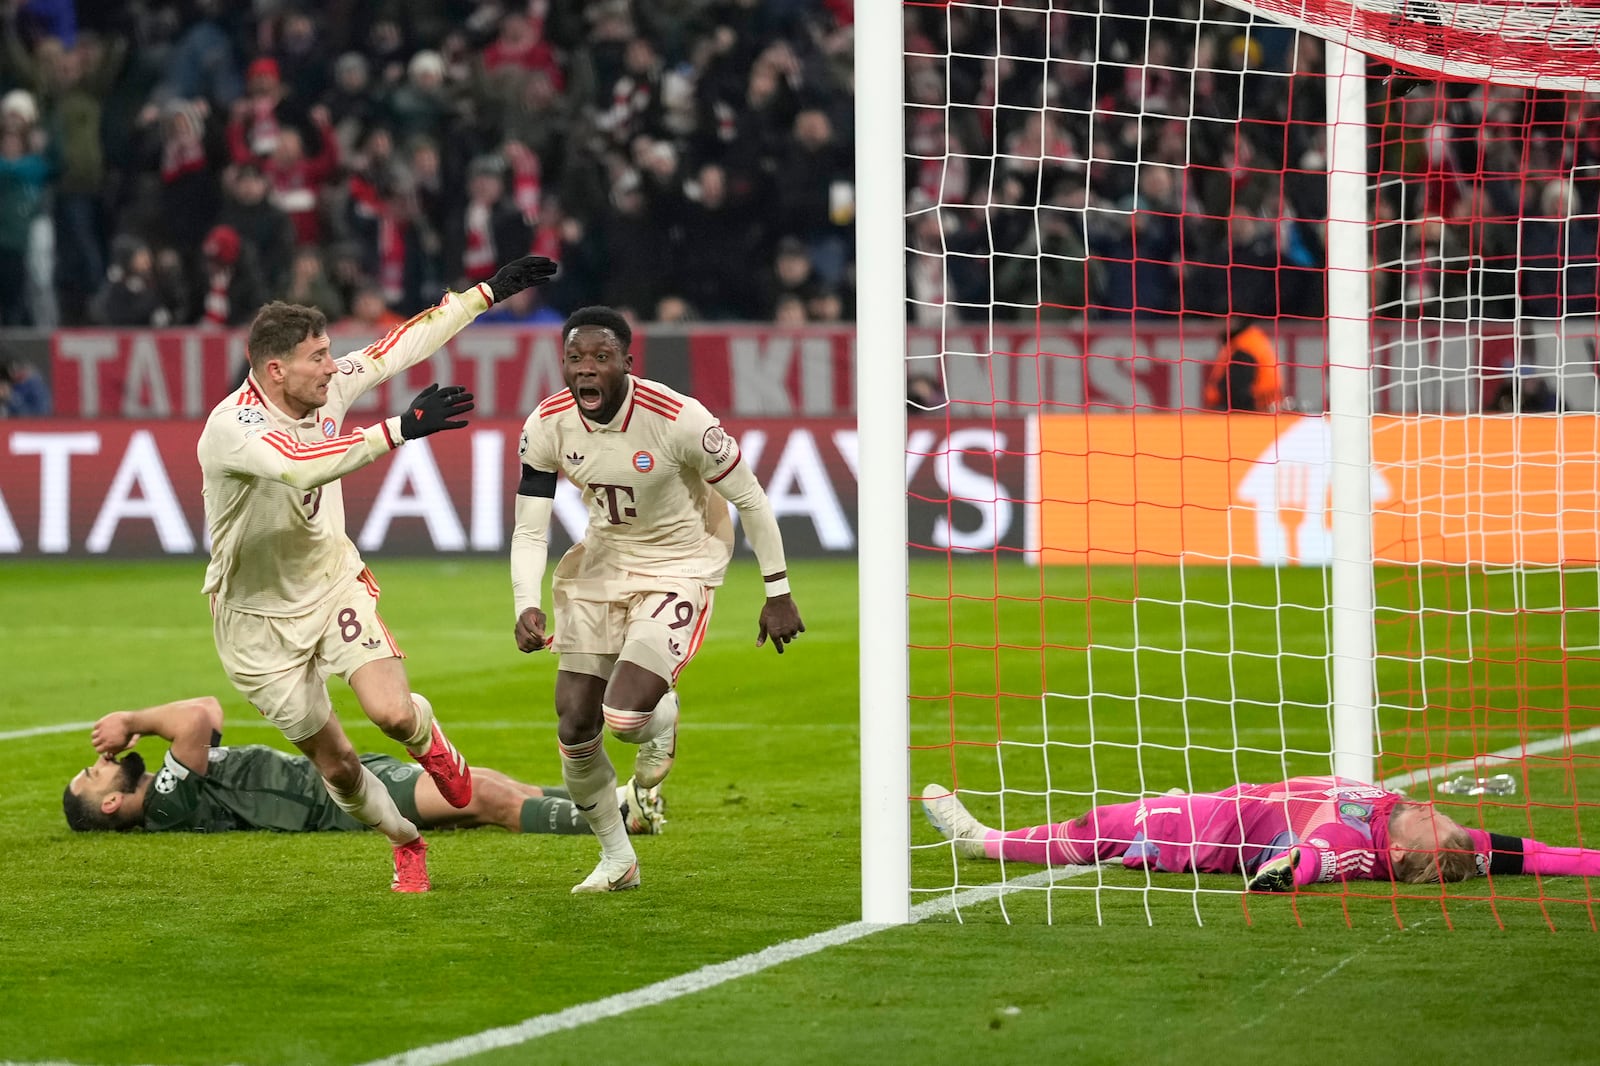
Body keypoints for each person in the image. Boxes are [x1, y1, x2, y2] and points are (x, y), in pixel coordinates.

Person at [195, 253, 557, 893]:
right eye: (319, 357)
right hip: (253, 623)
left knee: (391, 713)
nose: (333, 367)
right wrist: (400, 428)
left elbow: (397, 346)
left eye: (331, 352)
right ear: (276, 370)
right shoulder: (233, 428)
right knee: (336, 767)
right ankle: (406, 842)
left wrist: (486, 292)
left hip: (329, 581)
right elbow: (302, 466)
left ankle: (435, 746)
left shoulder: (326, 386)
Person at [510, 305, 806, 894]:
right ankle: (617, 859)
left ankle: (661, 721)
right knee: (574, 724)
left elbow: (751, 499)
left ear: (627, 362)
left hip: (682, 562)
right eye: (574, 359)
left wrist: (778, 591)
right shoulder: (547, 423)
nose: (586, 370)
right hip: (603, 560)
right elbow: (529, 528)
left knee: (624, 717)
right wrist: (525, 601)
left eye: (600, 358)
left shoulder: (680, 419)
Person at [62, 697, 664, 837]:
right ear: (112, 804)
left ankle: (615, 803)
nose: (101, 762)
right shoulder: (166, 803)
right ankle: (615, 824)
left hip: (336, 775)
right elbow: (194, 717)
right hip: (333, 797)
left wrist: (137, 725)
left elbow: (212, 710)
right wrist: (131, 721)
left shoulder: (176, 782)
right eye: (94, 775)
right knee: (477, 795)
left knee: (486, 781)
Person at [921, 776, 1600, 891]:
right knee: (1104, 826)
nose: (1435, 809)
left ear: (1399, 850)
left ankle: (979, 840)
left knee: (1097, 827)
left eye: (1433, 817)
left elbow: (1311, 859)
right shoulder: (1452, 845)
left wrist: (1283, 874)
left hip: (1212, 829)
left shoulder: (1355, 841)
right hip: (1228, 803)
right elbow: (1540, 855)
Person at [1202, 317, 1282, 413]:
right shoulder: (1252, 339)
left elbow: (1238, 395)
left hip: (1251, 416)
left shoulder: (1243, 349)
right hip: (1265, 411)